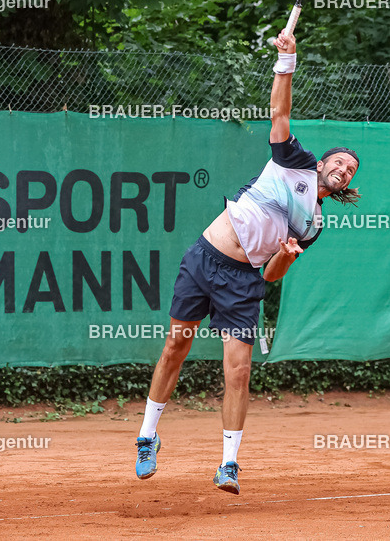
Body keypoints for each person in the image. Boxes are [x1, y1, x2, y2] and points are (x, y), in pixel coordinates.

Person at [134, 28, 360, 494]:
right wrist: (287, 60)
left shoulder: (314, 226)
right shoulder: (293, 160)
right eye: (339, 162)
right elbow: (280, 110)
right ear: (322, 165)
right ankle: (147, 437)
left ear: (345, 185)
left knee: (238, 371)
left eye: (350, 171)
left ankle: (229, 465)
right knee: (175, 348)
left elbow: (271, 276)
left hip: (242, 282)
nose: (342, 170)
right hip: (204, 258)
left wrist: (284, 258)